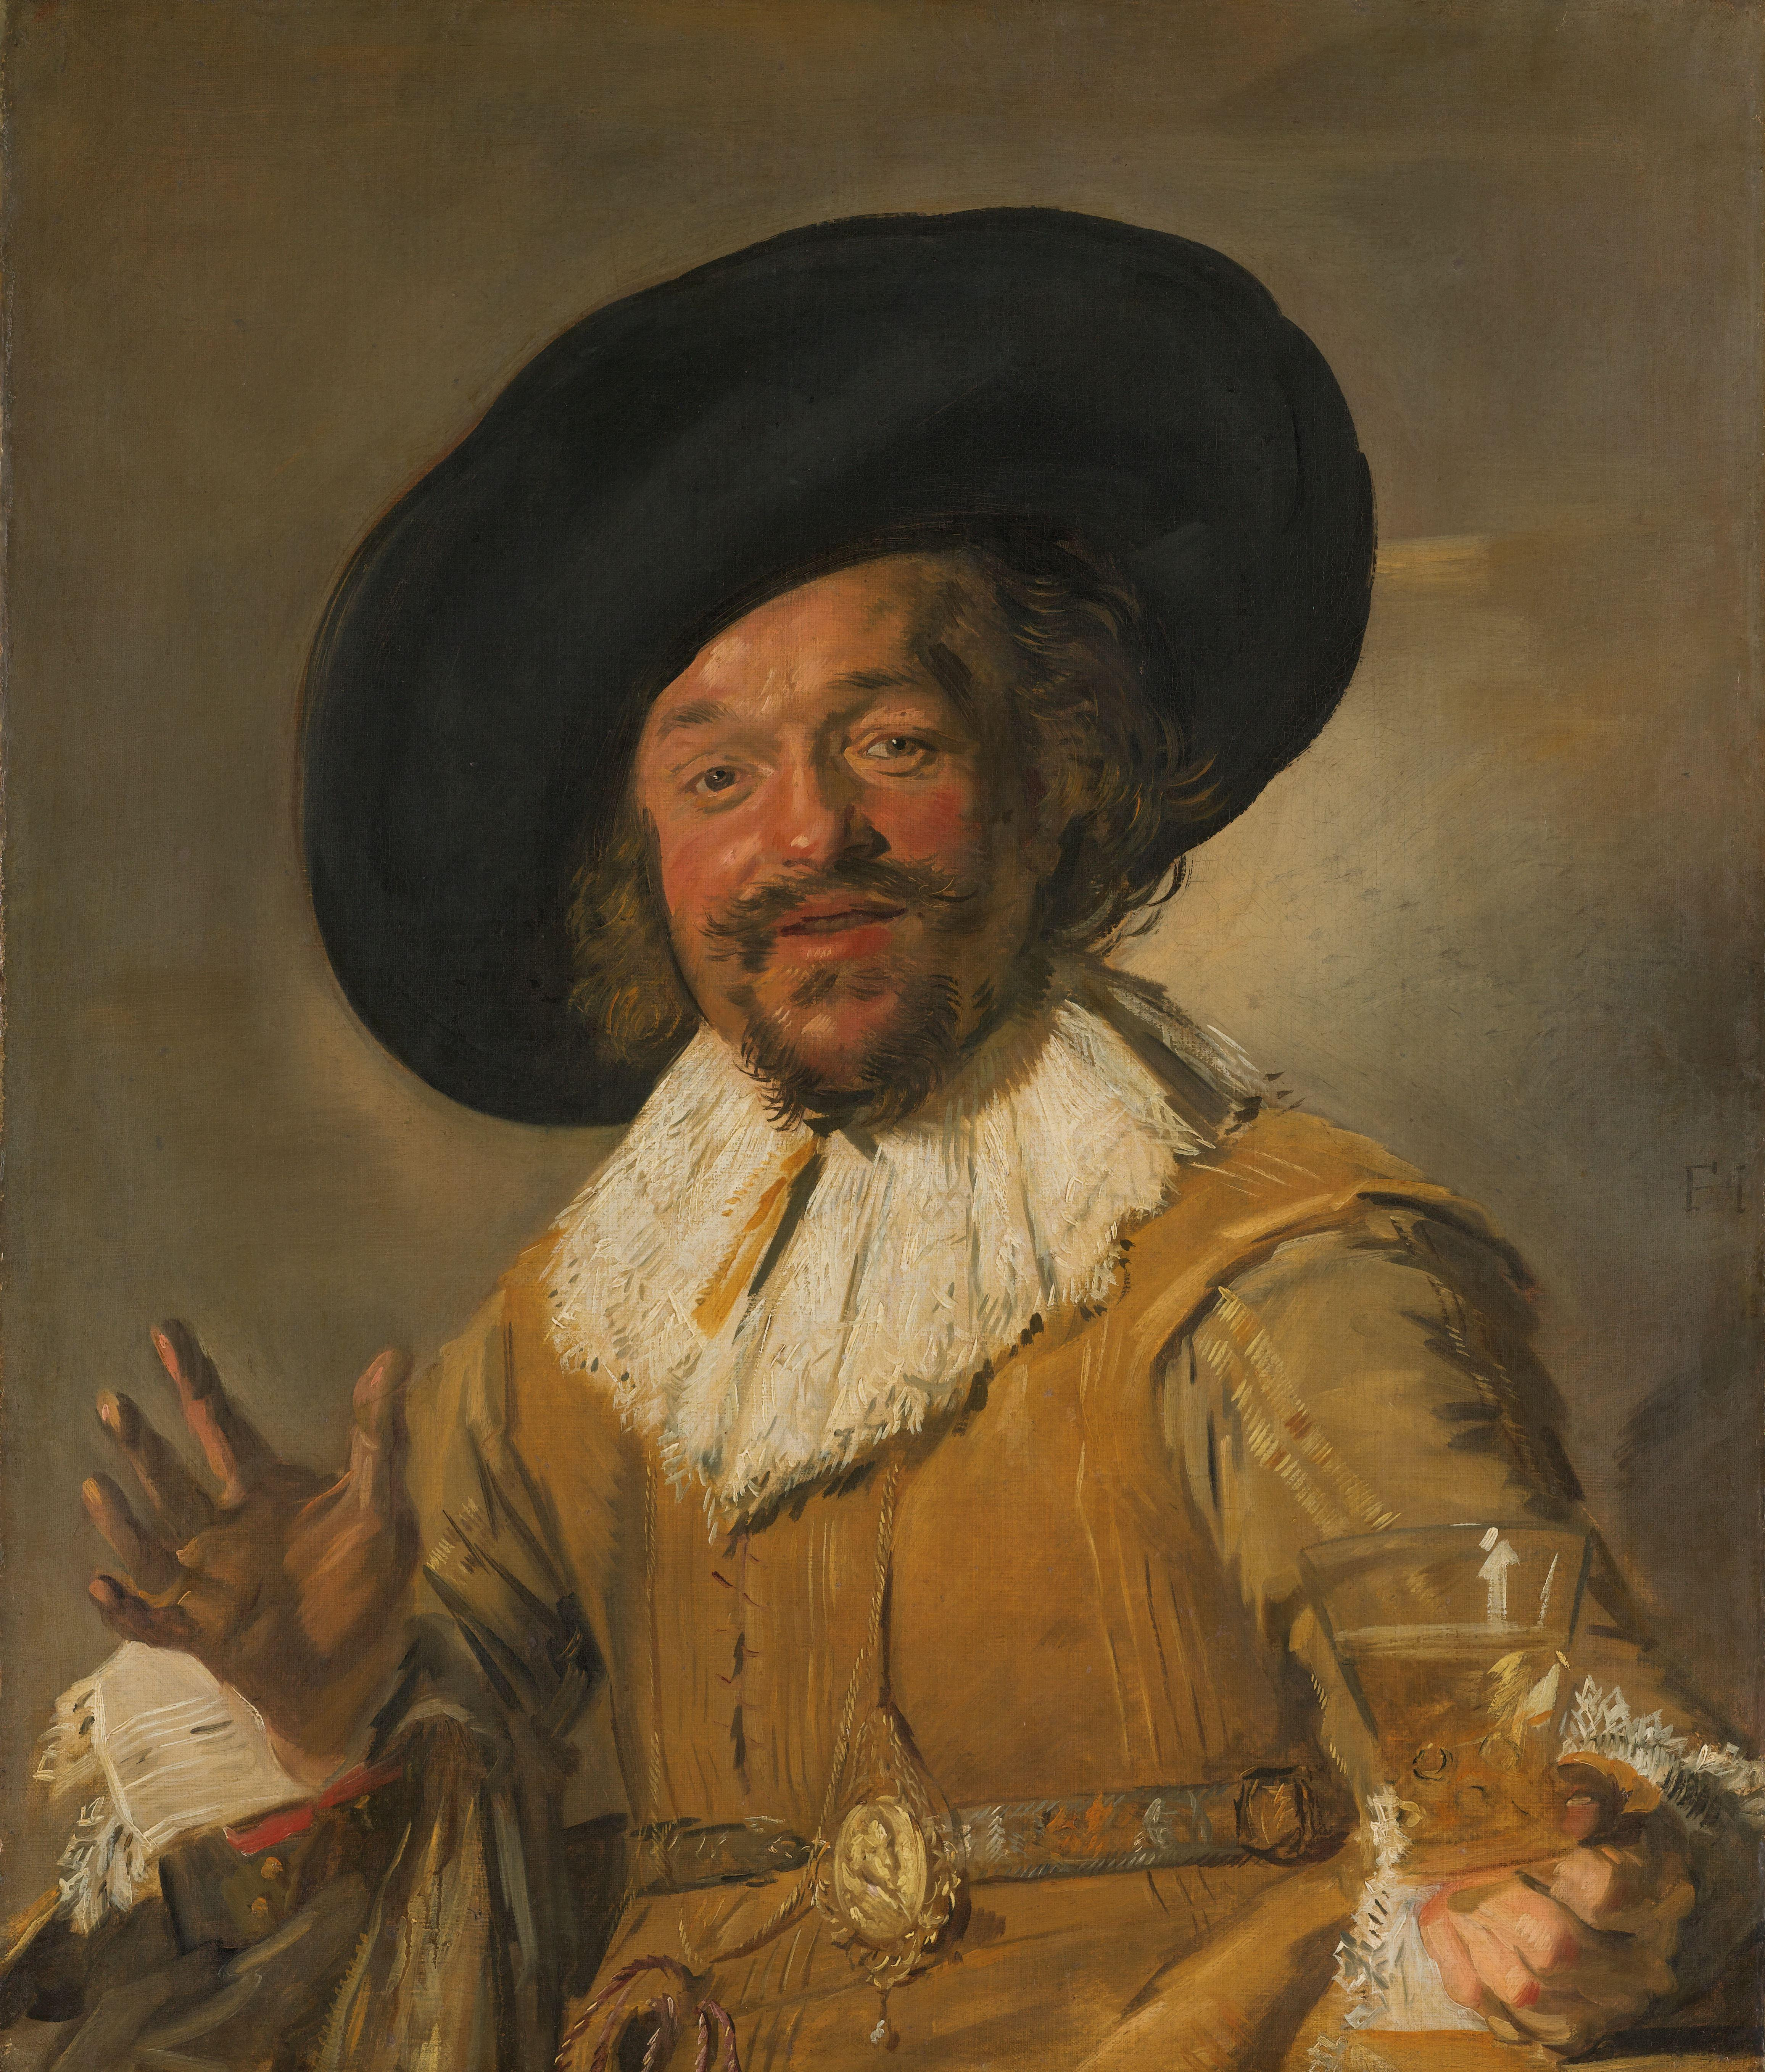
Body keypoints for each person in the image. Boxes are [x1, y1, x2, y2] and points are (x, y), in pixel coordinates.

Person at [6, 213, 1759, 2072]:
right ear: (640, 862)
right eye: (717, 777)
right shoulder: (577, 1334)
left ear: (1054, 769)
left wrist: (1564, 1877)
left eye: (894, 743)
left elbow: (1546, 1769)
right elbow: (410, 1906)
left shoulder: (1277, 1263)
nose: (804, 837)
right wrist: (318, 1708)